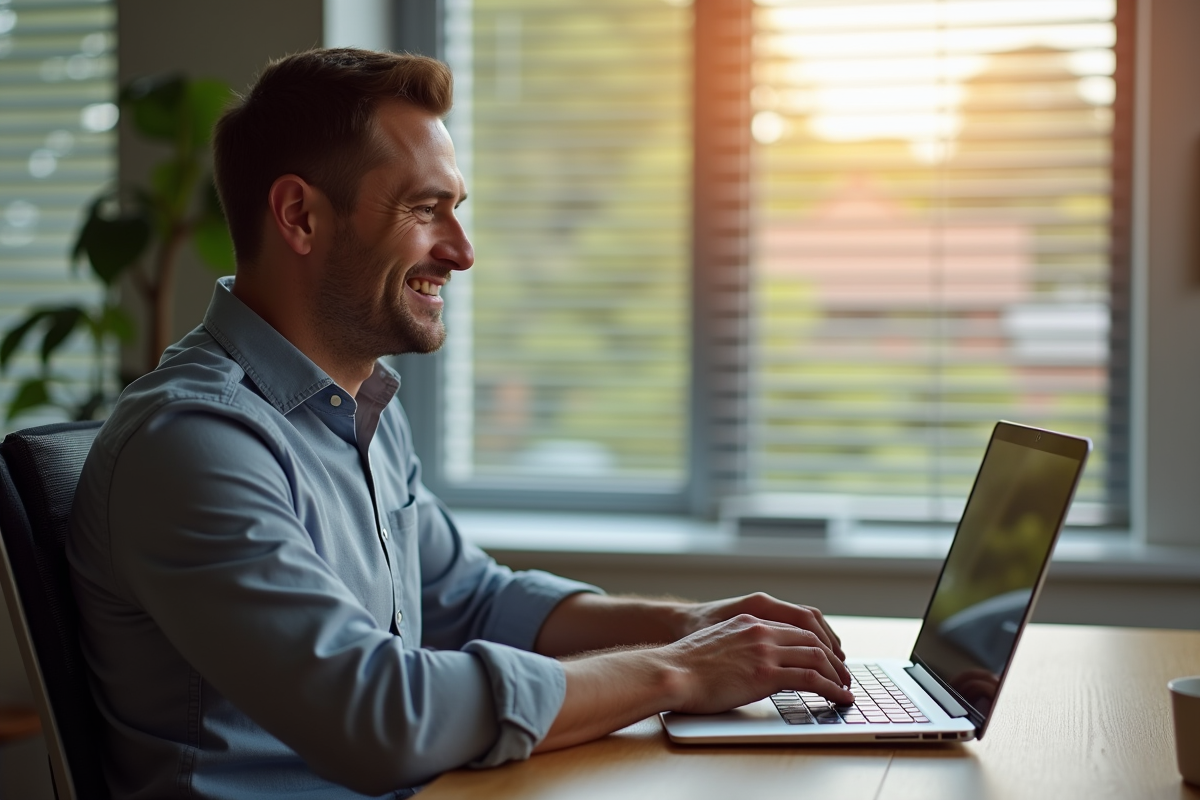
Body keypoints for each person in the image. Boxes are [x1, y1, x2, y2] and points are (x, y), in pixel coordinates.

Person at [67, 48, 853, 800]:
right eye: (424, 209)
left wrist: (692, 624)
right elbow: (382, 715)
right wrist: (678, 671)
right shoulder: (195, 443)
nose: (463, 252)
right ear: (300, 216)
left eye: (457, 211)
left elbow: (473, 602)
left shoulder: (362, 404)